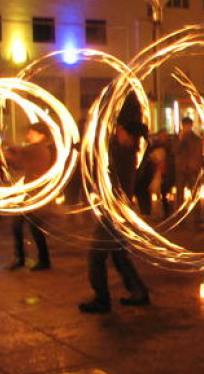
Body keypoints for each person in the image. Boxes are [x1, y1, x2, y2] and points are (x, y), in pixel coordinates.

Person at [79, 120, 150, 314]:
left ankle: (102, 300)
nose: (116, 131)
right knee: (119, 256)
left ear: (127, 134)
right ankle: (139, 292)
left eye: (120, 129)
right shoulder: (129, 151)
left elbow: (99, 152)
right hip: (120, 210)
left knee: (95, 256)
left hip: (114, 212)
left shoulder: (122, 153)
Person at [0, 122, 54, 271]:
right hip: (32, 194)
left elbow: (16, 157)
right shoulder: (37, 149)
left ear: (40, 135)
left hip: (36, 196)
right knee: (19, 224)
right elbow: (19, 150)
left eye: (31, 132)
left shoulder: (38, 149)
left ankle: (39, 260)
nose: (28, 135)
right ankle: (24, 258)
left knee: (33, 227)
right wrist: (4, 145)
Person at [173, 117, 204, 224]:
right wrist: (181, 140)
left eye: (187, 125)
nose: (186, 128)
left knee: (194, 194)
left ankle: (197, 218)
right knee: (180, 195)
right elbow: (175, 151)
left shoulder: (196, 138)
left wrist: (195, 166)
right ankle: (180, 218)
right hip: (181, 169)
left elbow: (199, 153)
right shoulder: (178, 138)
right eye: (184, 125)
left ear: (190, 126)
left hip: (191, 169)